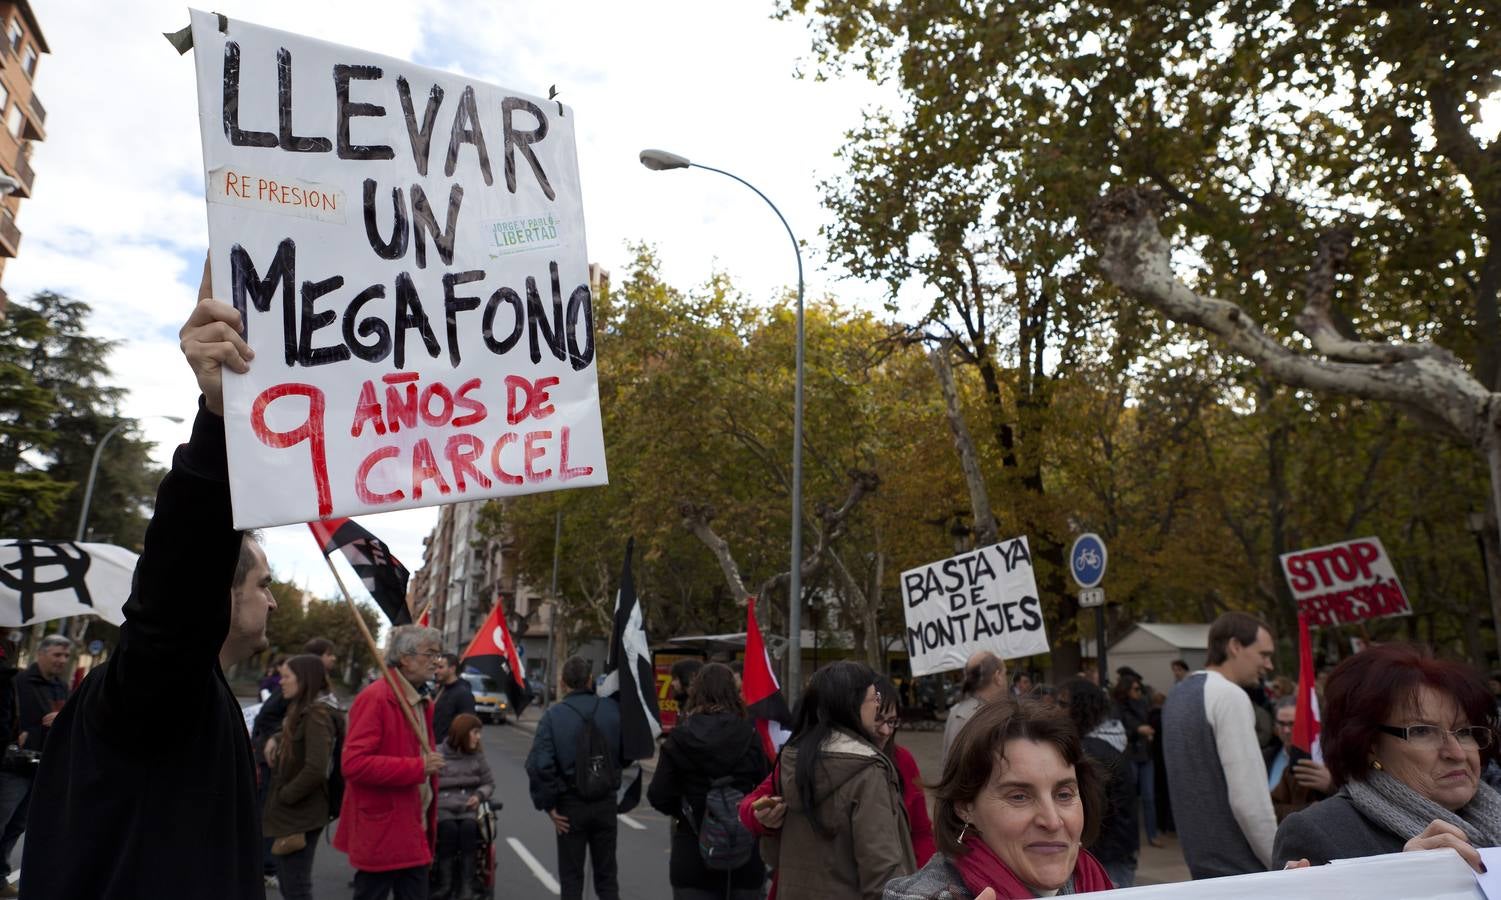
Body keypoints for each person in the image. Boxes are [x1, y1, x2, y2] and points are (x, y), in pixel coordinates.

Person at [22, 284, 277, 899]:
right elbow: (175, 595)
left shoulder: (195, 693)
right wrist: (218, 421)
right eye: (262, 585)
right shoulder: (156, 687)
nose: (272, 603)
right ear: (219, 591)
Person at [1273, 644, 1501, 872]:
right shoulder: (1318, 831)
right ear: (1369, 744)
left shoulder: (1494, 807)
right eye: (1422, 731)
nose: (1456, 753)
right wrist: (1403, 879)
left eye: (1464, 731)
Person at [883, 697, 1114, 899]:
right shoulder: (927, 895)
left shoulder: (1095, 884)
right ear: (965, 807)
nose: (1053, 821)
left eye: (1064, 795)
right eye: (1019, 796)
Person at [765, 660, 915, 899]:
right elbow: (882, 872)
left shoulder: (791, 760)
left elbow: (772, 855)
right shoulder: (868, 770)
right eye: (873, 698)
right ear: (852, 706)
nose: (877, 706)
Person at [1162, 611, 1277, 879]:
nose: (1269, 665)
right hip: (1244, 873)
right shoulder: (1229, 696)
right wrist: (1281, 859)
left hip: (1202, 868)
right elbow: (1249, 801)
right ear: (1235, 646)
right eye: (1264, 654)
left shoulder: (1177, 695)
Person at [336, 624, 447, 900]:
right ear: (405, 658)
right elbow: (354, 764)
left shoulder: (424, 702)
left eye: (438, 654)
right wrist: (418, 767)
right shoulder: (375, 698)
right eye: (430, 654)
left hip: (414, 827)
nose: (437, 661)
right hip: (383, 831)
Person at [648, 662, 770, 900]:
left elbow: (658, 794)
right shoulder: (750, 736)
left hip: (693, 857)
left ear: (696, 693)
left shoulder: (680, 737)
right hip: (743, 855)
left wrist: (686, 810)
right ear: (733, 694)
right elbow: (766, 789)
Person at [525, 655, 624, 900]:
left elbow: (540, 764)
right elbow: (627, 752)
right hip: (605, 802)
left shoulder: (553, 715)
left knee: (571, 878)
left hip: (570, 804)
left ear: (563, 682)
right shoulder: (613, 710)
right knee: (607, 878)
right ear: (590, 680)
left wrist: (548, 805)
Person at [262, 654, 341, 900]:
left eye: (286, 677)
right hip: (295, 813)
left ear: (304, 679)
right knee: (289, 883)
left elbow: (315, 768)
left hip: (302, 814)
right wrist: (276, 738)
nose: (280, 682)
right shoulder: (302, 710)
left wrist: (285, 796)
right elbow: (295, 735)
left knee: (296, 887)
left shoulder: (317, 715)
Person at [1060, 677, 1138, 888]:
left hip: (1107, 852)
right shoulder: (1111, 736)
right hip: (1118, 846)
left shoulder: (1092, 750)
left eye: (1064, 704)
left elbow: (1094, 807)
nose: (1058, 710)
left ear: (1080, 708)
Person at [434, 713, 495, 900]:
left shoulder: (477, 756)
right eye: (475, 732)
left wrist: (479, 795)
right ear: (462, 733)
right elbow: (428, 783)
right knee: (448, 829)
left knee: (469, 829)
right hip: (443, 807)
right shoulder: (438, 753)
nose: (478, 737)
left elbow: (489, 783)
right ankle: (445, 883)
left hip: (469, 806)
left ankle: (467, 886)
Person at [1112, 673, 1162, 848]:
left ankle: (1152, 834)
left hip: (1145, 754)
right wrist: (1138, 730)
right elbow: (1122, 728)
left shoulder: (1142, 703)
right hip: (1132, 754)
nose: (1138, 691)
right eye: (1135, 688)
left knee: (1148, 797)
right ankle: (1132, 835)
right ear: (1126, 689)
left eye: (1139, 688)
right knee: (1130, 797)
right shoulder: (1119, 707)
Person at [1264, 697, 1332, 822]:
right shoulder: (1265, 757)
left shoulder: (1326, 759)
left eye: (1292, 723)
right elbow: (1264, 809)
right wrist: (1306, 809)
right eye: (1281, 723)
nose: (1286, 730)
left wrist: (1331, 786)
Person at [943, 651, 1007, 764]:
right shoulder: (989, 719)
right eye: (1005, 673)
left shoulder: (956, 711)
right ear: (998, 677)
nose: (1006, 679)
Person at [433, 652, 476, 743]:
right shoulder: (441, 689)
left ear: (452, 669)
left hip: (450, 752)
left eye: (440, 667)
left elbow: (468, 725)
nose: (436, 671)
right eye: (436, 667)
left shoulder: (463, 694)